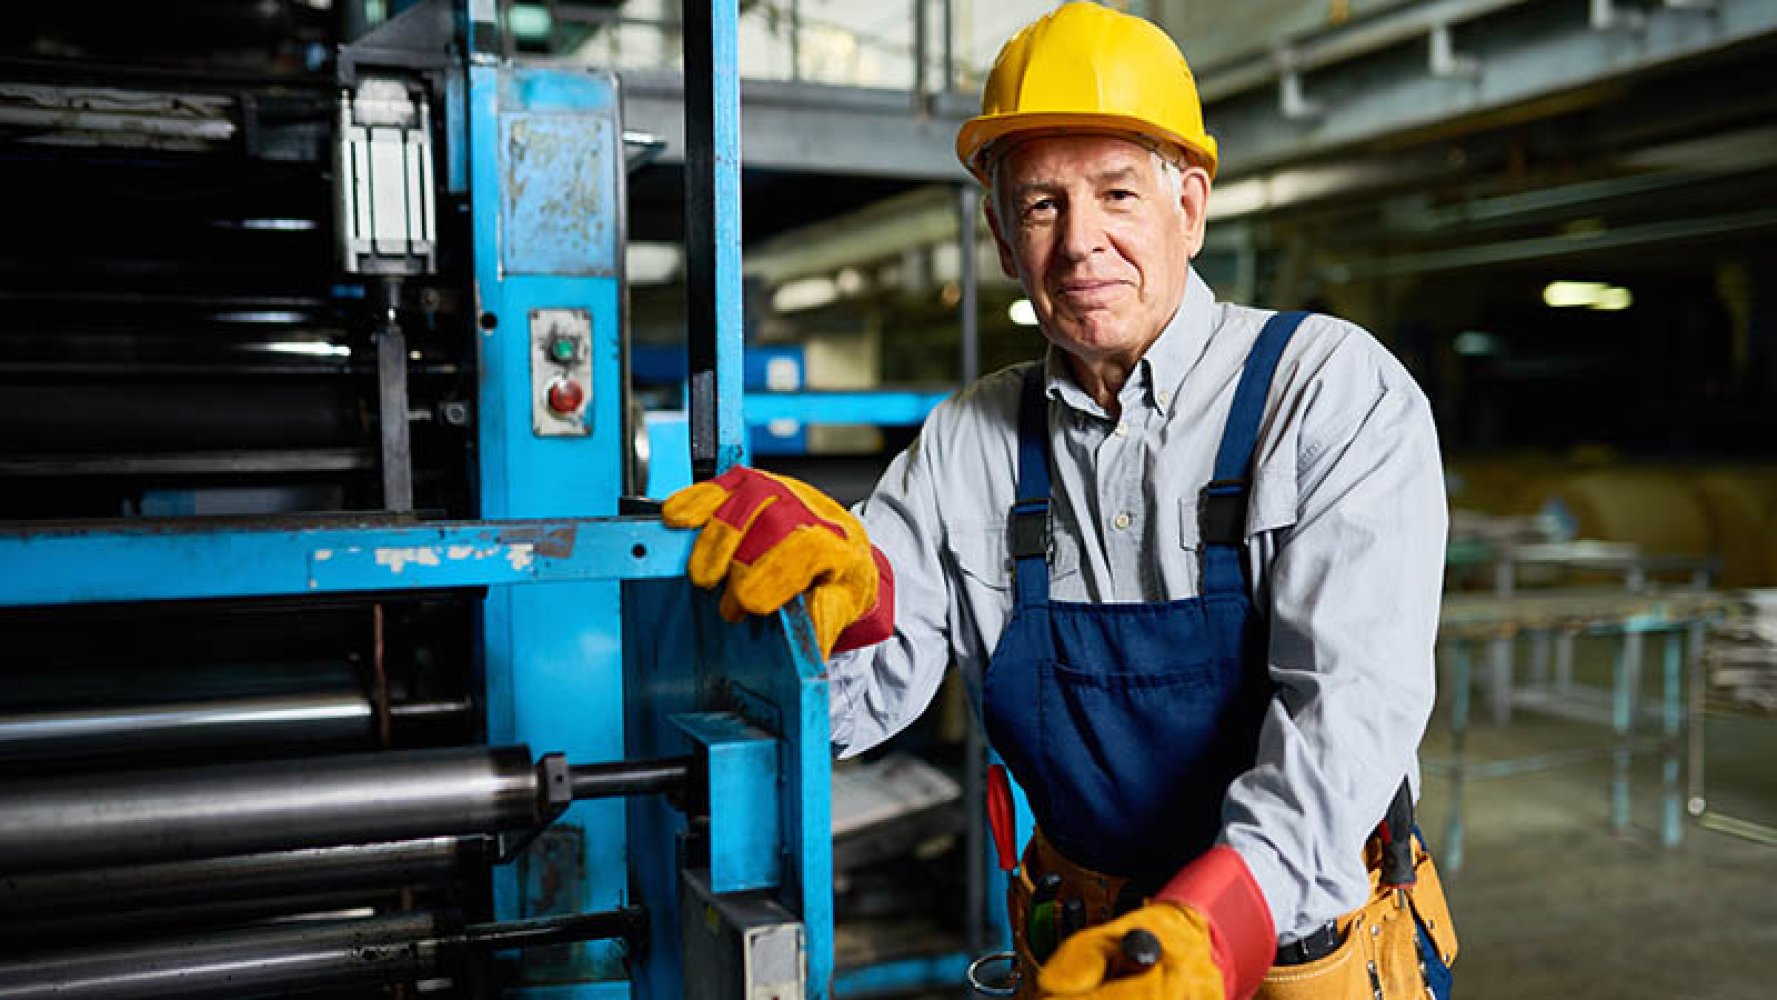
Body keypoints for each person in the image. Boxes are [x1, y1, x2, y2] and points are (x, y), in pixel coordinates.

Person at [664, 4, 1456, 998]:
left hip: (1292, 956)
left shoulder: (1327, 391)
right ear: (1002, 238)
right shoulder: (969, 442)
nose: (1081, 242)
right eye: (1041, 205)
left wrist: (1211, 929)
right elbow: (852, 710)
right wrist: (830, 613)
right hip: (1079, 955)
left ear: (1189, 207)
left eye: (1116, 193)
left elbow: (1350, 716)